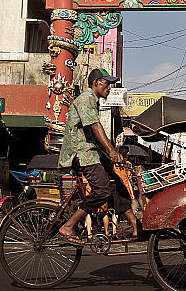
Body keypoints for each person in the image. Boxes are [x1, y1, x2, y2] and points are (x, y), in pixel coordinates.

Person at [57, 68, 139, 242]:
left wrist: (112, 154)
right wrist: (110, 151)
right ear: (96, 83)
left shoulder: (93, 101)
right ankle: (68, 226)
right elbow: (95, 127)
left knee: (118, 184)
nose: (109, 88)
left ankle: (134, 224)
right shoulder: (86, 99)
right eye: (107, 84)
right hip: (83, 153)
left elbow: (98, 133)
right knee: (102, 191)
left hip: (93, 152)